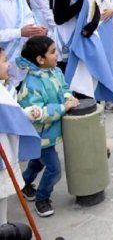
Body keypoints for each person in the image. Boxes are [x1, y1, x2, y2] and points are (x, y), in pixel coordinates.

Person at [17, 36, 79, 217]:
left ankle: (23, 183)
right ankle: (42, 199)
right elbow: (37, 114)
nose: (56, 54)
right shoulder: (31, 84)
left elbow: (65, 88)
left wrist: (69, 98)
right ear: (40, 59)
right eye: (52, 52)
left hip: (49, 133)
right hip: (39, 135)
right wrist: (62, 107)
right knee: (53, 169)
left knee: (37, 162)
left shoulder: (55, 71)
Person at [0, 46, 41, 227]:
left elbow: (12, 116)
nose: (8, 64)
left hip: (5, 153)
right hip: (2, 159)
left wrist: (27, 114)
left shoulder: (5, 89)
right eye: (3, 61)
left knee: (2, 197)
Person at [0, 0, 47, 89]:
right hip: (4, 55)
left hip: (22, 55)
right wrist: (19, 32)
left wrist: (36, 30)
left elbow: (28, 16)